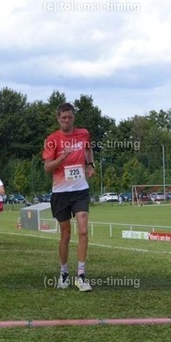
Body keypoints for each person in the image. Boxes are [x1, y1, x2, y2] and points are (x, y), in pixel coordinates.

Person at [43, 102, 95, 292]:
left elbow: (88, 149)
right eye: (63, 117)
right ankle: (64, 273)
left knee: (83, 230)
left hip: (80, 190)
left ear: (74, 118)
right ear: (58, 119)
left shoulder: (83, 134)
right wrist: (62, 158)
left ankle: (81, 276)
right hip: (60, 192)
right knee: (65, 234)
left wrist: (90, 164)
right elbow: (47, 168)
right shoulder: (52, 140)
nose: (67, 120)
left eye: (70, 117)